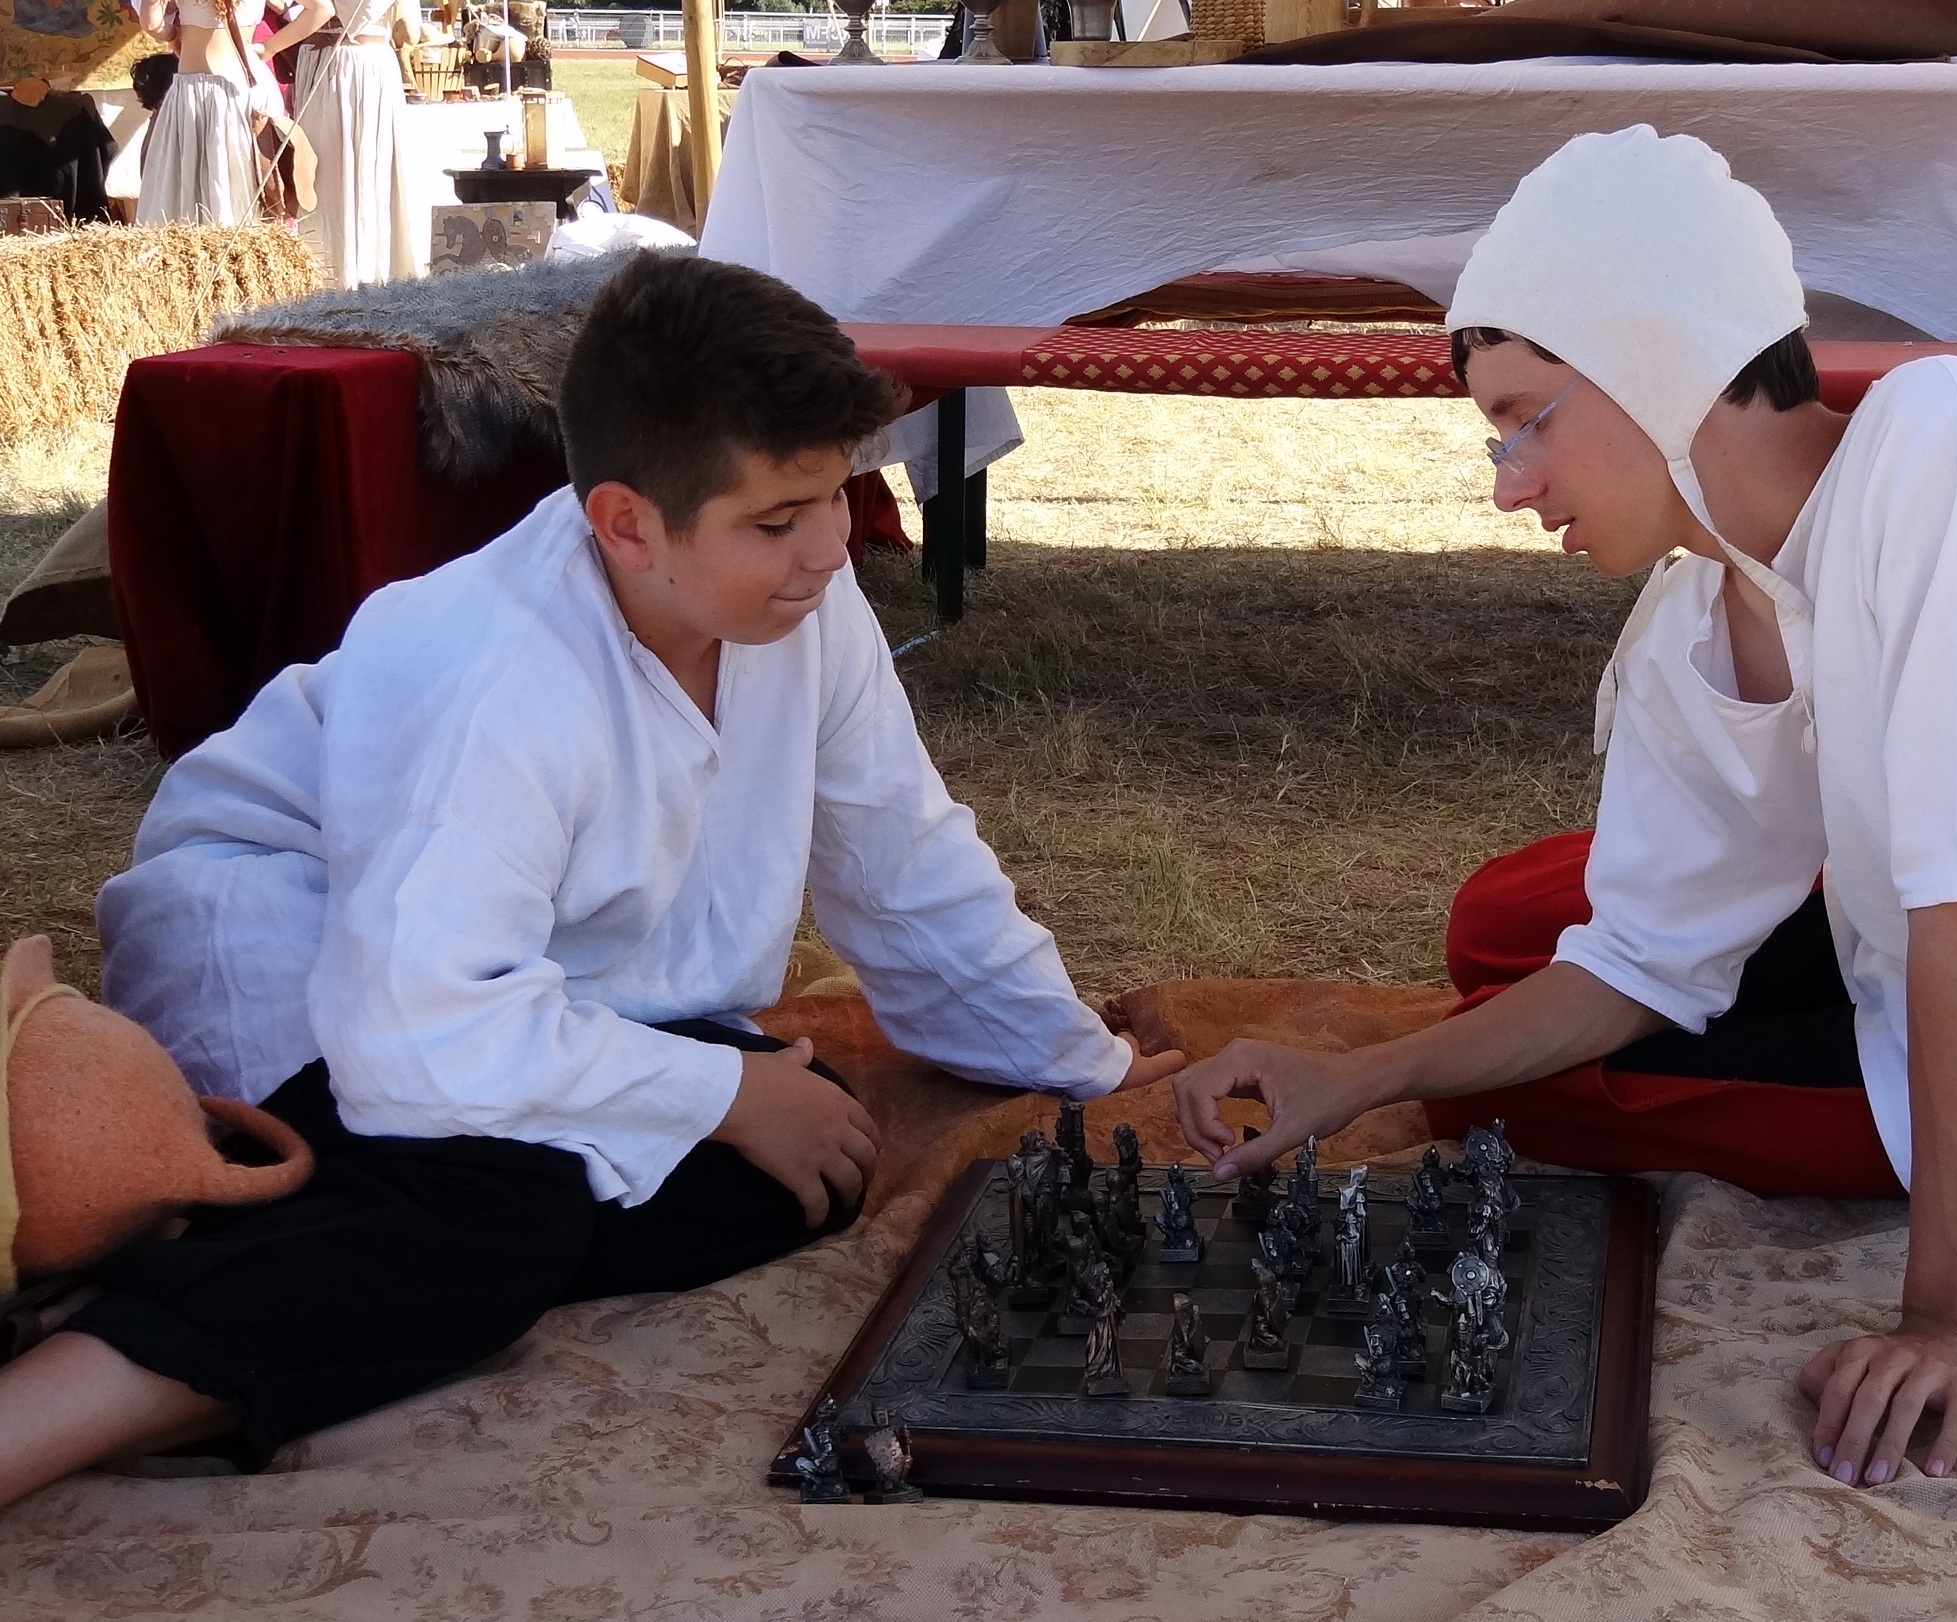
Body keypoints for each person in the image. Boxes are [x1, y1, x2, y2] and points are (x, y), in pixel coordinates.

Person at [1172, 128, 1957, 1494]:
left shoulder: (1946, 443)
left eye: (1526, 418)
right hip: (1934, 957)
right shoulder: (1694, 617)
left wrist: (1947, 1320)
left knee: (1537, 1098)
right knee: (1503, 922)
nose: (1507, 480)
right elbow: (1637, 955)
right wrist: (1356, 1077)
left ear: (1654, 358)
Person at [0, 252, 1184, 1511]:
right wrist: (717, 1088)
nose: (829, 550)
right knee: (499, 1216)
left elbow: (904, 855)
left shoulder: (805, 605)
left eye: (837, 496)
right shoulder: (499, 677)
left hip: (529, 988)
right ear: (624, 522)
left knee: (809, 1152)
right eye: (778, 521)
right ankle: (56, 1398)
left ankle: (283, 1265)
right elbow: (415, 1032)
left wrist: (1080, 1059)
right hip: (306, 968)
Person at [135, 0, 331, 226]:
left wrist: (174, 34)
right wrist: (269, 47)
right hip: (238, 87)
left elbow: (151, 23)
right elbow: (322, 9)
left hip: (189, 90)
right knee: (236, 179)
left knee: (184, 183)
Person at [293, 0, 422, 286]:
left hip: (351, 64)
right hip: (343, 61)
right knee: (327, 170)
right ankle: (337, 267)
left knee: (345, 168)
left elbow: (354, 16)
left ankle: (356, 269)